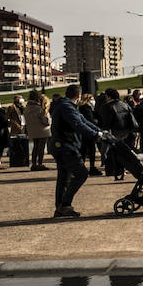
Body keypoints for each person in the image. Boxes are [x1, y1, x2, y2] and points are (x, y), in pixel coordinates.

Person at [49, 83, 110, 218]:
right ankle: (65, 205)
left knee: (64, 177)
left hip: (62, 146)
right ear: (79, 95)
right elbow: (78, 124)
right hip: (66, 146)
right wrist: (96, 135)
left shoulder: (67, 106)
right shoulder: (67, 107)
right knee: (81, 173)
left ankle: (61, 208)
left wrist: (100, 131)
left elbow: (84, 121)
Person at [24, 91, 52, 171]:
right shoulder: (39, 109)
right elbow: (46, 121)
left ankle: (33, 164)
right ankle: (40, 163)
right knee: (41, 148)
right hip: (42, 130)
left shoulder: (27, 108)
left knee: (35, 147)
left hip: (33, 130)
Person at [78, 92, 103, 175]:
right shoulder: (86, 108)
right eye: (92, 99)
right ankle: (91, 167)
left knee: (84, 150)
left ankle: (83, 167)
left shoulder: (84, 108)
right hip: (89, 132)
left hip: (85, 132)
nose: (94, 101)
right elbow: (90, 120)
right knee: (90, 150)